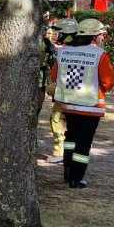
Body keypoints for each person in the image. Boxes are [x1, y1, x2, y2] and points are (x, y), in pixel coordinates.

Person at [51, 18, 114, 188]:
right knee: (83, 144)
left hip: (68, 105)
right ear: (95, 36)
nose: (103, 38)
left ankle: (67, 172)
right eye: (102, 35)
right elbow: (108, 82)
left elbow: (54, 76)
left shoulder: (63, 52)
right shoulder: (99, 55)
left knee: (70, 138)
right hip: (90, 107)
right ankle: (76, 178)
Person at [42, 18, 80, 164]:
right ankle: (68, 154)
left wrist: (52, 85)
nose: (56, 35)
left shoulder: (64, 52)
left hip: (65, 94)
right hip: (79, 96)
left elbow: (56, 73)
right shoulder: (82, 49)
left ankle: (60, 153)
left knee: (57, 121)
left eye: (59, 32)